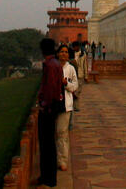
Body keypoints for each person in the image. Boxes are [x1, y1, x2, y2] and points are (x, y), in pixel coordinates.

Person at [36, 38, 64, 186]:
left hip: (48, 109)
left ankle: (49, 178)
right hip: (52, 107)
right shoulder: (55, 64)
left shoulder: (50, 65)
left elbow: (51, 89)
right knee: (48, 144)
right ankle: (48, 176)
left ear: (42, 50)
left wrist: (44, 105)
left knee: (46, 144)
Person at [55, 44, 79, 172]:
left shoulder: (70, 69)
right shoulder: (53, 67)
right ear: (58, 53)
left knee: (62, 133)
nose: (63, 54)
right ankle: (55, 158)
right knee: (54, 133)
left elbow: (75, 86)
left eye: (65, 52)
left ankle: (63, 160)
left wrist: (66, 84)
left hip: (65, 105)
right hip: (53, 104)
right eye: (61, 52)